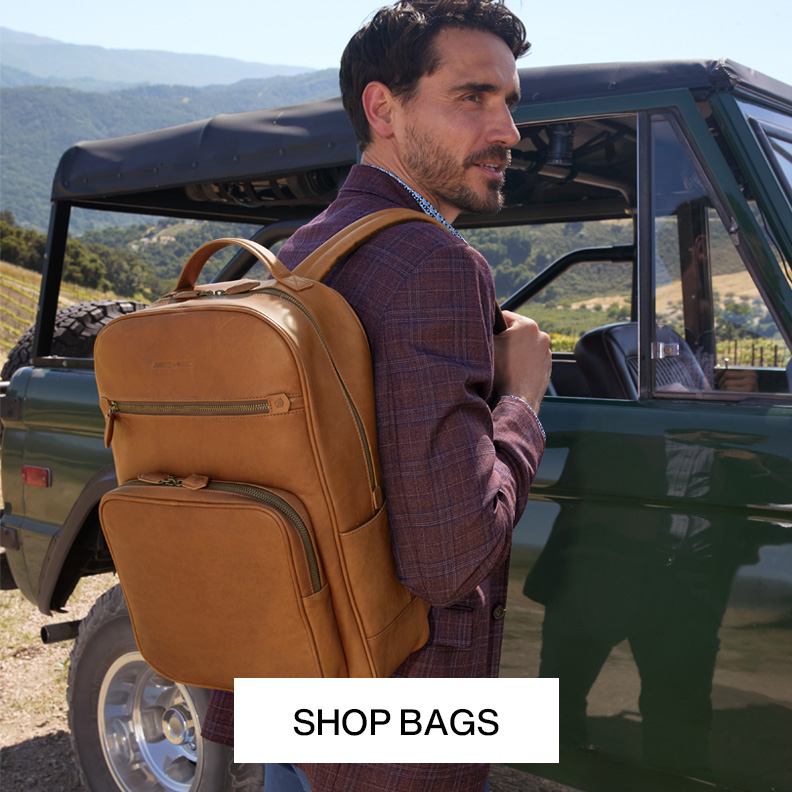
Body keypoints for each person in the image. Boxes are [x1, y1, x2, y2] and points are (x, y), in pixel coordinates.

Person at [203, 2, 551, 790]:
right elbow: (449, 558)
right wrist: (523, 398)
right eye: (472, 97)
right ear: (382, 107)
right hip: (389, 728)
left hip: (298, 691)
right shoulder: (434, 261)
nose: (507, 131)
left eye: (509, 103)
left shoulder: (308, 246)